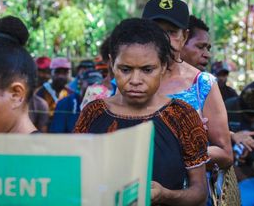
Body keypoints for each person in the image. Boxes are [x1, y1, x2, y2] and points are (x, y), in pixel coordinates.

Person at [74, 18, 209, 205]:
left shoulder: (182, 116)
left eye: (147, 70)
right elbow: (77, 177)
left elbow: (200, 191)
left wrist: (167, 195)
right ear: (112, 65)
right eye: (126, 69)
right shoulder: (93, 113)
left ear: (163, 66)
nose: (135, 80)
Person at [142, 0, 233, 169]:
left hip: (192, 191)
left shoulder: (202, 84)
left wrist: (188, 146)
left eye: (171, 32)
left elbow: (226, 154)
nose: (163, 38)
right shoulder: (131, 80)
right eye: (155, 30)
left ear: (184, 36)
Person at [225, 88, 254, 179]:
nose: (253, 119)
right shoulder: (228, 107)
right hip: (230, 146)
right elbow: (221, 134)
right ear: (240, 107)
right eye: (249, 115)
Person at [49, 69, 103, 133]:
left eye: (98, 85)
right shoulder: (65, 103)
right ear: (81, 84)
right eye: (90, 84)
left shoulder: (107, 106)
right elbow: (57, 134)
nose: (94, 88)